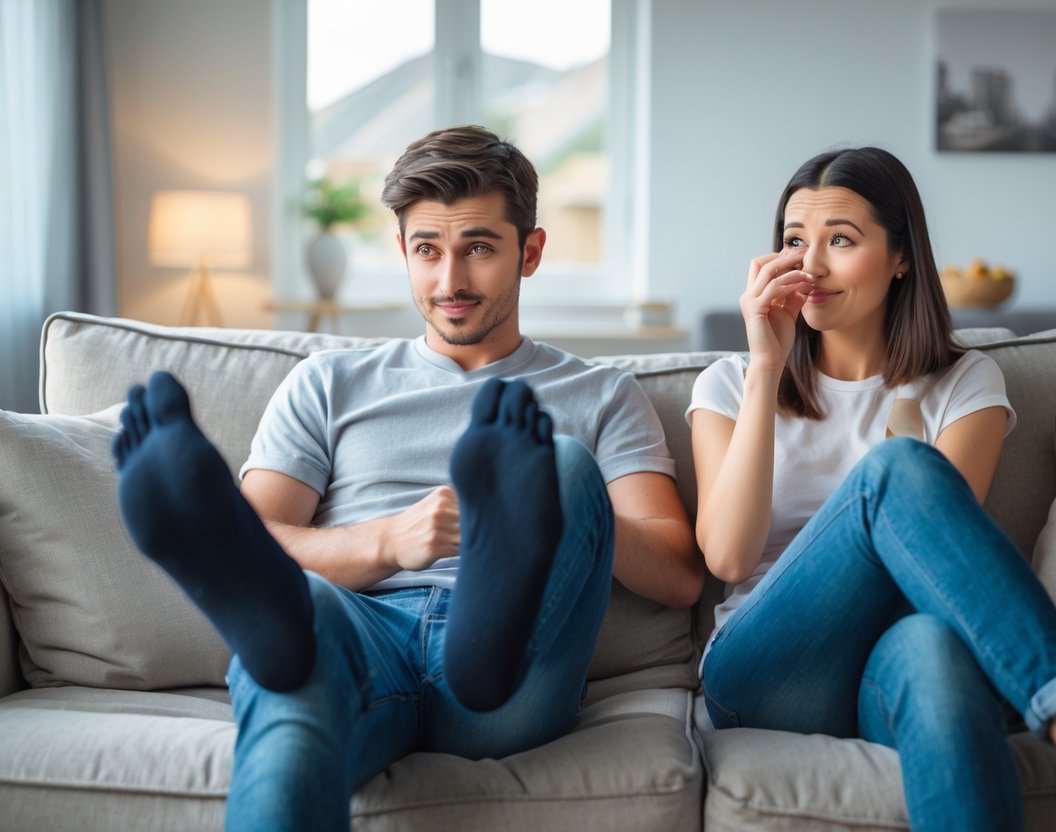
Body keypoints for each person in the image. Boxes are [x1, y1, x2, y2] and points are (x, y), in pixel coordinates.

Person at [111, 125, 702, 832]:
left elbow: (679, 576)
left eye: (478, 248)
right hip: (359, 634)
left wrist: (544, 511)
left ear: (531, 252)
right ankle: (282, 631)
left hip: (520, 664)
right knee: (298, 654)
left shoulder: (601, 393)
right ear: (402, 252)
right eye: (428, 250)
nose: (449, 281)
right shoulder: (327, 383)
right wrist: (389, 542)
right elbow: (261, 532)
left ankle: (487, 629)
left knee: (563, 465)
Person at [687, 146, 1056, 832]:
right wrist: (765, 366)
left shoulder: (963, 385)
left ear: (901, 257)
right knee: (896, 470)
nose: (808, 266)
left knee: (935, 649)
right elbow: (727, 559)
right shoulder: (728, 384)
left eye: (840, 241)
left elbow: (939, 573)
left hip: (893, 664)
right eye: (793, 241)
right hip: (767, 671)